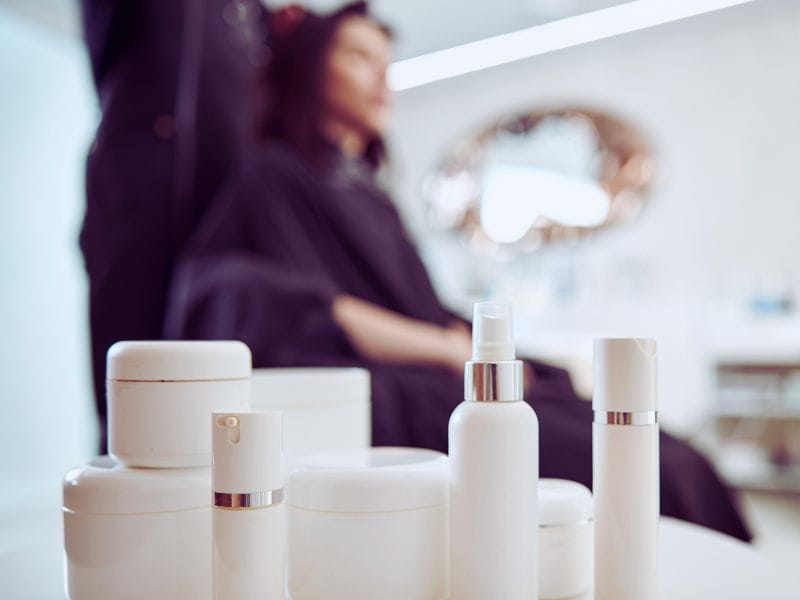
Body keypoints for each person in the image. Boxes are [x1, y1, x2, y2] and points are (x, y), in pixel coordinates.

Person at [165, 2, 752, 541]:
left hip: (448, 370)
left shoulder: (371, 197)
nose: (381, 79)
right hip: (405, 389)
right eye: (359, 57)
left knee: (659, 449)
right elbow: (285, 301)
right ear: (309, 69)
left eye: (387, 63)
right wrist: (450, 351)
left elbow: (419, 301)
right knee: (659, 473)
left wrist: (482, 352)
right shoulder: (274, 178)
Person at [79, 0, 270, 451]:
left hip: (224, 225)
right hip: (139, 208)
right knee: (132, 406)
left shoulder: (252, 20)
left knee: (214, 404)